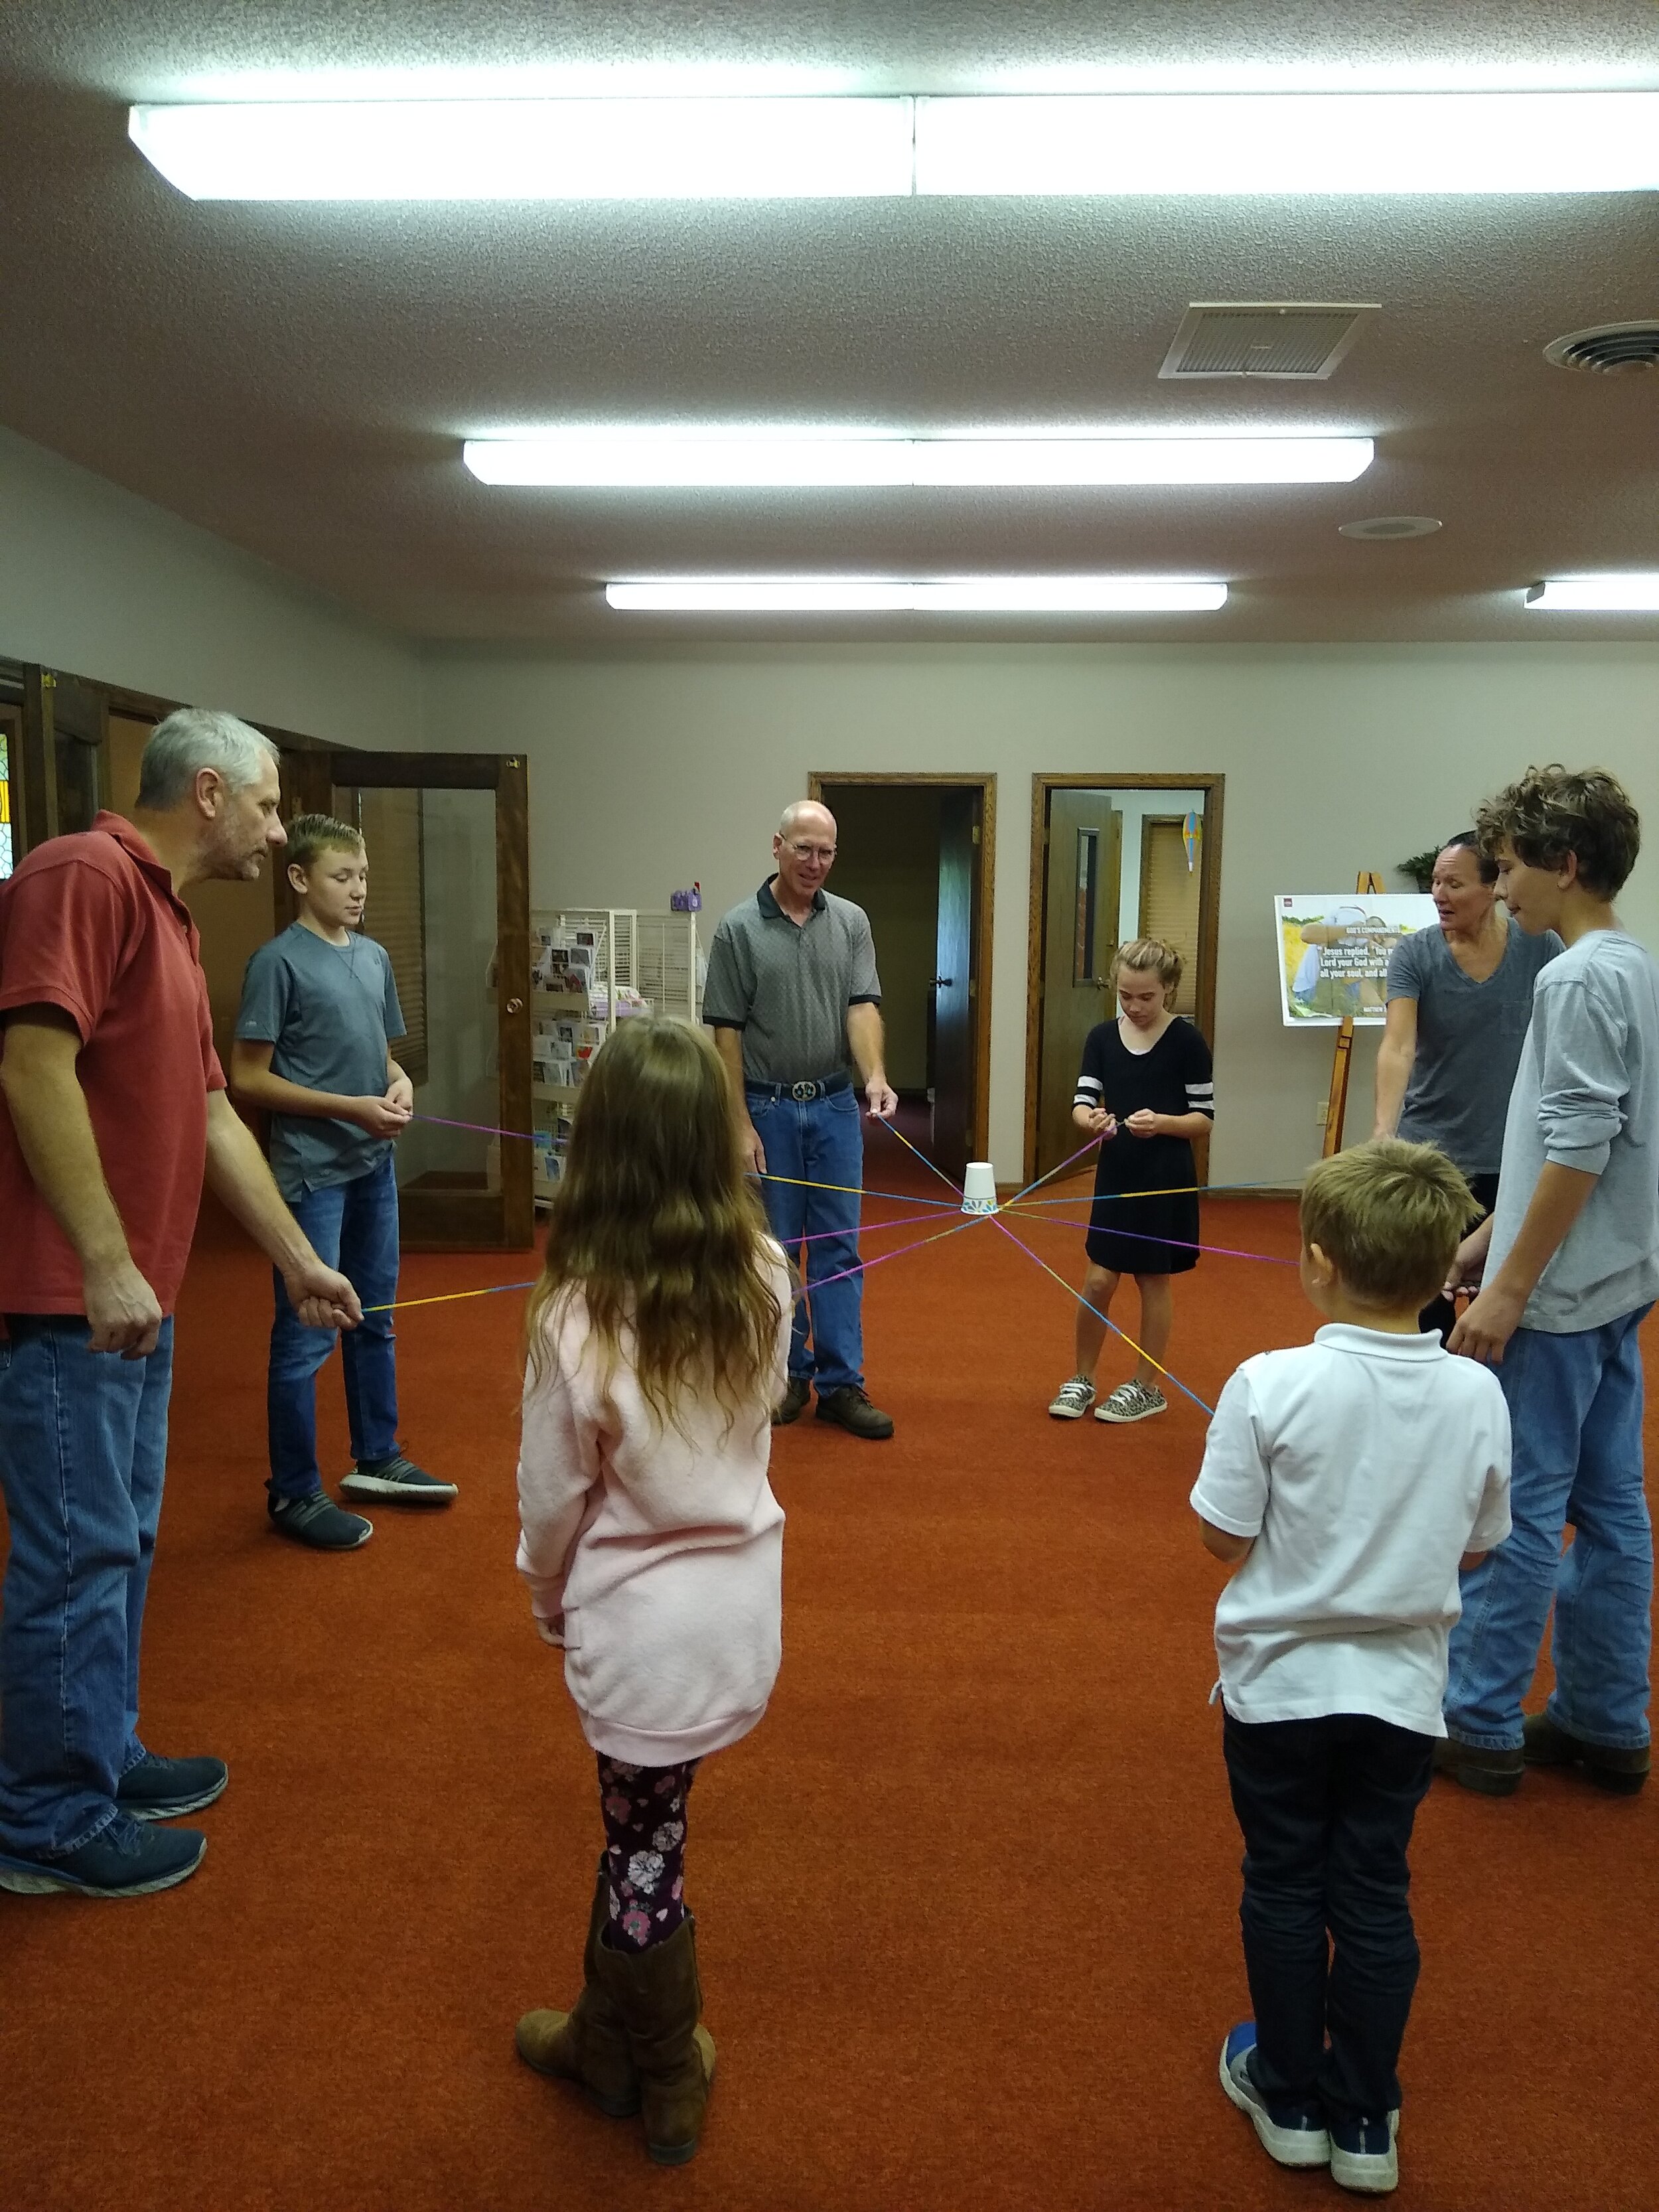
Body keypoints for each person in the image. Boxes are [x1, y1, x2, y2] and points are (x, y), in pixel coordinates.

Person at [0, 709, 360, 1899]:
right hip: (71, 1299)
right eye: (267, 804)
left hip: (138, 1301)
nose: (278, 829)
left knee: (123, 1536)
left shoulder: (172, 915)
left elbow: (212, 1115)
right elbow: (32, 1066)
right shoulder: (81, 875)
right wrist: (103, 1260)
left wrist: (297, 1259)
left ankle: (99, 1752)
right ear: (208, 791)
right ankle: (46, 1816)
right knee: (74, 1550)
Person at [1192, 1140, 1510, 2197]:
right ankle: (1365, 2112)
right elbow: (1481, 1546)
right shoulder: (1478, 1395)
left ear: (1319, 1263)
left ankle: (1289, 2094)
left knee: (1285, 1876)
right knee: (1373, 1887)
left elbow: (1222, 1538)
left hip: (1279, 1691)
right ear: (1442, 1272)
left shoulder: (1266, 1381)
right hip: (1401, 1699)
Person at [512, 1017, 790, 2168]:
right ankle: (603, 2037)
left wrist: (545, 1595)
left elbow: (550, 1498)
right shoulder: (765, 1272)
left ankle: (665, 2069)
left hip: (642, 1634)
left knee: (644, 1852)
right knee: (643, 1826)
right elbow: (760, 1418)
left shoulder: (574, 1309)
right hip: (738, 1616)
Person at [1439, 765, 1657, 1799]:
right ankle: (1607, 1719)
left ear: (1564, 864)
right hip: (1617, 1280)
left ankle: (1479, 1720)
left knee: (1518, 1509)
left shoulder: (1573, 980)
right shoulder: (1634, 964)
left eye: (1510, 867)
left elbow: (1579, 1147)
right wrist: (1487, 1238)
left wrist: (1509, 1289)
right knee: (1612, 1509)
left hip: (1563, 1298)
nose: (1501, 888)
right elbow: (1571, 1142)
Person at [232, 812, 456, 1552]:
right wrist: (349, 1108)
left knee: (376, 1315)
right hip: (311, 1175)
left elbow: (380, 1056)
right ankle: (293, 1490)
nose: (358, 890)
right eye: (342, 876)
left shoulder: (374, 956)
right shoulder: (277, 963)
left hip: (371, 1169)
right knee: (306, 1335)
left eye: (362, 876)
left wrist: (398, 1084)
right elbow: (247, 1079)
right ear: (300, 879)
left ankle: (377, 1457)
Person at [701, 798, 897, 1441]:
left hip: (835, 1104)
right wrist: (738, 1124)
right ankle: (787, 1375)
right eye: (804, 849)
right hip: (767, 1108)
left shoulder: (851, 922)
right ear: (778, 847)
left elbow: (862, 1007)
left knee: (839, 1246)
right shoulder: (737, 929)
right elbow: (725, 1034)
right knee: (775, 1252)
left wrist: (874, 1075)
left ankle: (842, 1385)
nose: (815, 863)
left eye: (826, 852)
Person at [1372, 832, 1561, 1338]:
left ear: (1493, 887)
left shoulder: (1542, 947)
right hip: (1430, 1156)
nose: (1439, 894)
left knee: (1498, 1306)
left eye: (1454, 884)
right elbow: (1398, 1045)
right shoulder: (1414, 953)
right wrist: (1384, 1131)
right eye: (1435, 882)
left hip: (1510, 1157)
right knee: (1422, 1299)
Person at [1046, 940, 1214, 1425]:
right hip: (1117, 1171)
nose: (1135, 1006)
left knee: (1151, 1278)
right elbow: (1082, 1103)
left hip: (1165, 1175)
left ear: (1168, 990)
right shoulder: (1102, 1037)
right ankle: (1083, 1376)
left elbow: (1203, 1118)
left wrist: (1162, 1122)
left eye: (1146, 997)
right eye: (1125, 996)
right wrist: (1092, 1121)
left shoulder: (1187, 1042)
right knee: (1099, 1279)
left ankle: (1146, 1385)